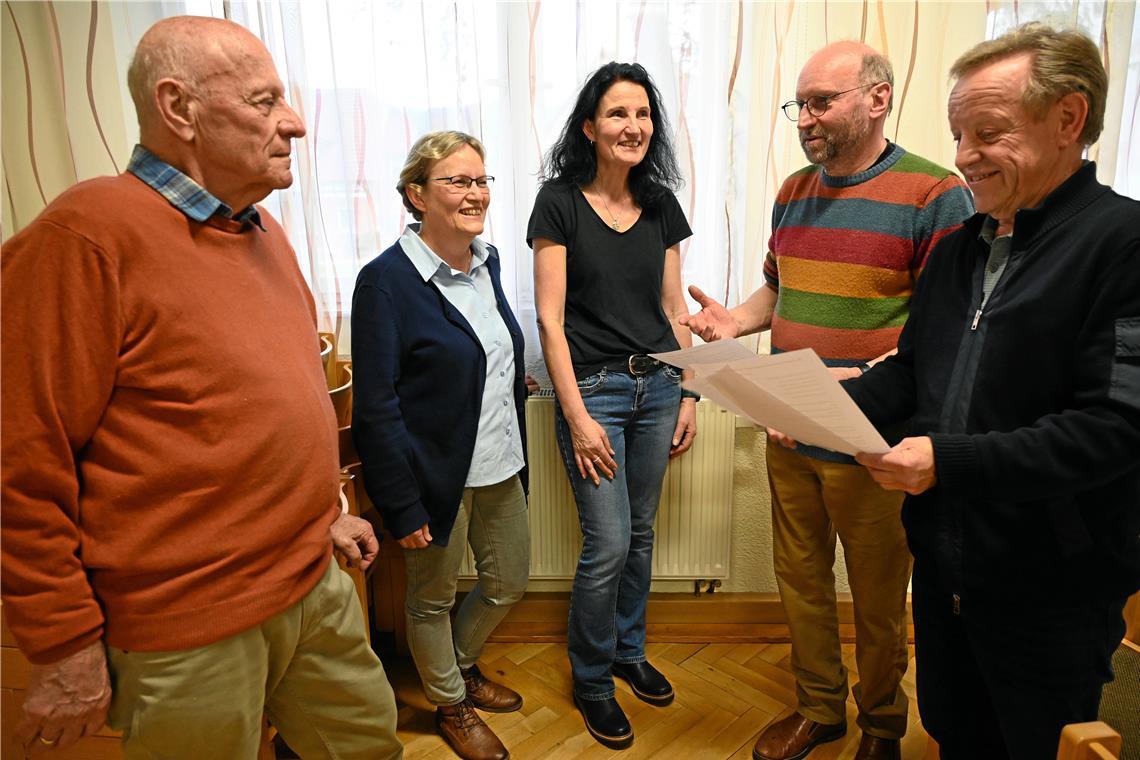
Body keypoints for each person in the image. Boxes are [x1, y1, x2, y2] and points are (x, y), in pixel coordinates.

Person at [0, 16, 402, 760]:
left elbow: (261, 409)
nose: (296, 123)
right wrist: (60, 641)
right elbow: (20, 460)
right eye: (264, 101)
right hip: (189, 621)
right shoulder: (84, 237)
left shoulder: (263, 233)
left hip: (311, 581)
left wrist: (322, 512)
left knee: (369, 746)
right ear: (179, 108)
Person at [837, 22, 1140, 760]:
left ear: (1069, 118)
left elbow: (1116, 427)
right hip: (943, 571)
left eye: (987, 133)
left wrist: (946, 460)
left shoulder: (1124, 244)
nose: (964, 157)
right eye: (957, 134)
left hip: (1053, 586)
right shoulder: (957, 249)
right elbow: (915, 372)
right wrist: (820, 408)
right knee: (954, 732)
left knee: (1033, 743)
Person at [682, 42, 973, 760]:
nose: (805, 119)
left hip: (873, 442)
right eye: (800, 105)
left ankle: (880, 726)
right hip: (789, 433)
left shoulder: (936, 195)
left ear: (877, 99)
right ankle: (819, 709)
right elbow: (779, 289)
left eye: (821, 102)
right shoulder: (792, 191)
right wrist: (734, 323)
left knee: (878, 603)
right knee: (802, 584)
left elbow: (946, 329)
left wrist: (866, 384)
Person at [527, 61, 698, 750]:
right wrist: (576, 416)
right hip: (594, 392)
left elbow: (673, 307)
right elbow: (549, 320)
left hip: (658, 386)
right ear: (589, 127)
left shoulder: (659, 203)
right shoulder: (558, 202)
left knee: (644, 533)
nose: (634, 126)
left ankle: (629, 652)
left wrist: (688, 391)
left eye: (644, 114)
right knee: (609, 543)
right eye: (619, 114)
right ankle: (592, 679)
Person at [351, 131, 530, 760]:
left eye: (481, 180)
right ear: (416, 194)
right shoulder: (384, 284)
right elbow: (376, 408)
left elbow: (482, 354)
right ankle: (451, 702)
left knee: (509, 580)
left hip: (500, 464)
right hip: (433, 481)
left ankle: (458, 664)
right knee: (429, 598)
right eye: (458, 181)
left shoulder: (489, 263)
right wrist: (401, 505)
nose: (475, 193)